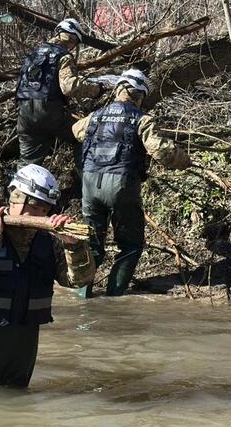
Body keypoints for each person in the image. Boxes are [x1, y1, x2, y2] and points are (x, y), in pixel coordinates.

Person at [0, 164, 96, 388]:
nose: (37, 216)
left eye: (44, 210)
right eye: (34, 208)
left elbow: (78, 281)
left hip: (20, 350)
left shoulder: (50, 241)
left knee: (14, 411)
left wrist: (73, 246)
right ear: (16, 201)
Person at [72, 69, 191, 298]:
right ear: (140, 95)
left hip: (89, 183)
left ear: (118, 89)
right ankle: (113, 297)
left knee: (92, 244)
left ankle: (82, 296)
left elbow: (76, 131)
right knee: (131, 245)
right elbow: (161, 152)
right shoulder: (141, 119)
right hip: (121, 185)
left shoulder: (96, 115)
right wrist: (185, 160)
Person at [15, 18, 103, 168]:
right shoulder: (63, 56)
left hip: (24, 115)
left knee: (27, 164)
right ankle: (85, 187)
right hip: (49, 112)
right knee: (81, 135)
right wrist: (96, 90)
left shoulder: (34, 54)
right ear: (73, 39)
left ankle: (19, 190)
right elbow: (69, 87)